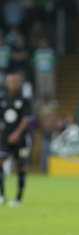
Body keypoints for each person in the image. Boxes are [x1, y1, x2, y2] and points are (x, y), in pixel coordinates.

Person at [0, 70, 32, 207]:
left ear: (19, 84)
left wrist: (17, 134)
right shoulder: (2, 99)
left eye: (15, 81)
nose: (12, 84)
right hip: (4, 139)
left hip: (21, 140)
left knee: (21, 167)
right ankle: (1, 195)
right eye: (10, 81)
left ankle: (18, 198)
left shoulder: (24, 100)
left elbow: (26, 119)